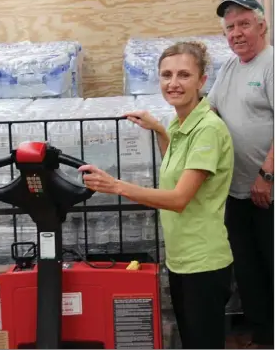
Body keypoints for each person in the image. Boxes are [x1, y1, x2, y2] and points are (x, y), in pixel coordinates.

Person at [79, 41, 234, 349]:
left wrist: (116, 186)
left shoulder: (208, 130)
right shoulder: (180, 124)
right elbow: (176, 168)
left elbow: (178, 198)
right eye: (166, 75)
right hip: (181, 259)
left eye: (184, 75)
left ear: (202, 81)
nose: (173, 83)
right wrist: (161, 132)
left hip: (204, 262)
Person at [208, 0, 274, 349]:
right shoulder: (231, 68)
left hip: (268, 191)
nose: (236, 33)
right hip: (236, 191)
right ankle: (264, 336)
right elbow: (211, 110)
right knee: (248, 270)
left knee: (272, 265)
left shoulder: (271, 63)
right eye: (230, 27)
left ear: (262, 26)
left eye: (244, 24)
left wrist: (267, 175)